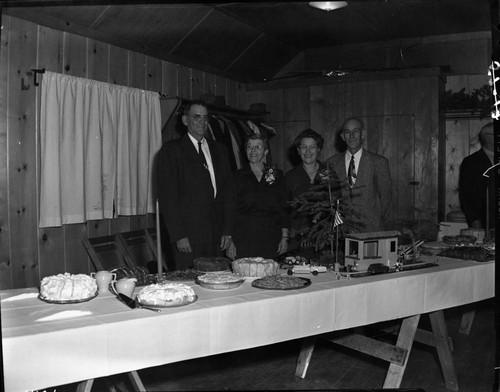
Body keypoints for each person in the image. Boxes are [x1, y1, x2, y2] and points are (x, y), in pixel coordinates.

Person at [157, 101, 235, 270]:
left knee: (215, 287)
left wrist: (227, 230)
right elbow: (168, 197)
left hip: (216, 236)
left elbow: (228, 193)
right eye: (196, 117)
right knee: (188, 286)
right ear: (185, 120)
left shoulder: (220, 150)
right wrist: (179, 235)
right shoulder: (172, 150)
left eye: (205, 117)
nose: (202, 122)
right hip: (188, 237)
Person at [227, 134, 290, 260]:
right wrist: (229, 241)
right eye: (249, 147)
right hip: (243, 239)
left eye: (258, 147)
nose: (253, 150)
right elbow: (228, 210)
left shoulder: (276, 175)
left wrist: (284, 238)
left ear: (265, 151)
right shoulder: (235, 177)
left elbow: (284, 209)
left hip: (271, 238)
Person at [327, 117, 392, 232]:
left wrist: (374, 220)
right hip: (342, 232)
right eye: (347, 132)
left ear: (363, 134)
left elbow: (385, 196)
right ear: (342, 137)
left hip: (371, 229)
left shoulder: (379, 162)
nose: (351, 136)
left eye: (356, 131)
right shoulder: (331, 163)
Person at [285, 129, 340, 249]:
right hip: (297, 238)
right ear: (298, 151)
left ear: (319, 149)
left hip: (324, 238)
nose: (308, 151)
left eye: (312, 147)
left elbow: (337, 206)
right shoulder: (290, 176)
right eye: (304, 147)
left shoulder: (329, 173)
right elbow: (284, 211)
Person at [458, 122, 495, 230]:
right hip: (484, 221)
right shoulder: (471, 162)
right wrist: (474, 219)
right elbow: (466, 195)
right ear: (487, 138)